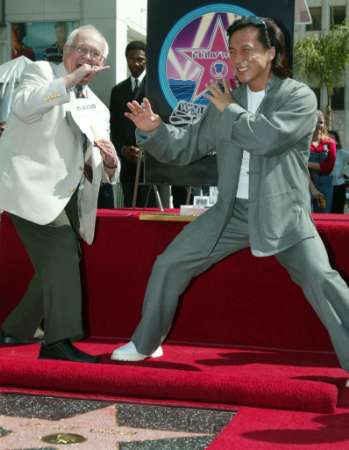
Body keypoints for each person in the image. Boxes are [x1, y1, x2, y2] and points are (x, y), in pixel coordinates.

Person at [111, 16, 349, 372]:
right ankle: (147, 344)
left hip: (284, 214)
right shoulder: (226, 98)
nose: (237, 58)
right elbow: (188, 145)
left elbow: (267, 140)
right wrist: (155, 130)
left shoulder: (297, 96)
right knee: (169, 263)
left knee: (322, 281)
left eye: (247, 50)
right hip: (229, 212)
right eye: (232, 50)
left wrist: (230, 109)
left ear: (270, 53)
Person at [0, 25, 119, 363]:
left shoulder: (99, 107)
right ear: (66, 50)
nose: (88, 57)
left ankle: (16, 328)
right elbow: (23, 107)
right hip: (24, 185)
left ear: (103, 63)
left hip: (65, 196)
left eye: (96, 54)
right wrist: (68, 81)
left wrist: (110, 162)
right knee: (63, 251)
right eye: (82, 49)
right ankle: (57, 341)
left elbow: (99, 163)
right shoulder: (40, 71)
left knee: (59, 262)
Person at [109, 41, 157, 207]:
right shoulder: (117, 91)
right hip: (127, 163)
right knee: (130, 211)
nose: (136, 63)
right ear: (126, 59)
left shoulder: (156, 87)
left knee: (154, 213)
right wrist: (123, 149)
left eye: (141, 59)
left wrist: (146, 151)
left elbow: (162, 124)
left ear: (147, 60)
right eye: (132, 59)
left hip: (152, 164)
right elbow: (114, 127)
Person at [308, 111, 336, 213]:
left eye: (321, 122)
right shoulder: (303, 143)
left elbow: (328, 167)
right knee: (306, 218)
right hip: (306, 184)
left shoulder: (330, 143)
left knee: (323, 216)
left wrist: (307, 164)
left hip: (325, 186)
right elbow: (298, 168)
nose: (318, 125)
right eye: (315, 122)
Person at [329, 130, 349, 214]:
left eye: (333, 138)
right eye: (329, 138)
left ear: (337, 141)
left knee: (338, 211)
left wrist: (345, 172)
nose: (330, 140)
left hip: (339, 186)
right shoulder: (322, 152)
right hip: (326, 186)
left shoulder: (341, 153)